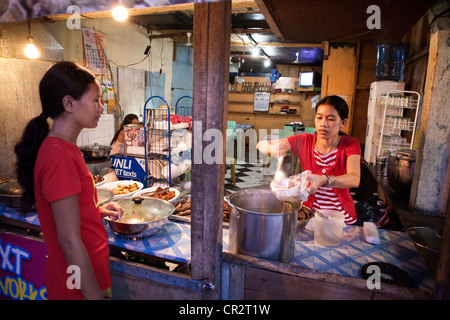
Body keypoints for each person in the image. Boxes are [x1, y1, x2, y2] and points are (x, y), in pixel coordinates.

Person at [14, 61, 123, 300]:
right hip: (77, 289)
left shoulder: (64, 149)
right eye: (96, 100)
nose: (101, 107)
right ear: (69, 103)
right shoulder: (58, 155)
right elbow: (69, 241)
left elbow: (66, 216)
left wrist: (96, 211)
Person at [257, 95, 362, 224]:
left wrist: (324, 179)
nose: (323, 124)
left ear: (343, 123)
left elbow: (354, 179)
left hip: (341, 218)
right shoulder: (305, 140)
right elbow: (261, 144)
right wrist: (274, 149)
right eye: (319, 117)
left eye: (331, 119)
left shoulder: (350, 144)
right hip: (310, 215)